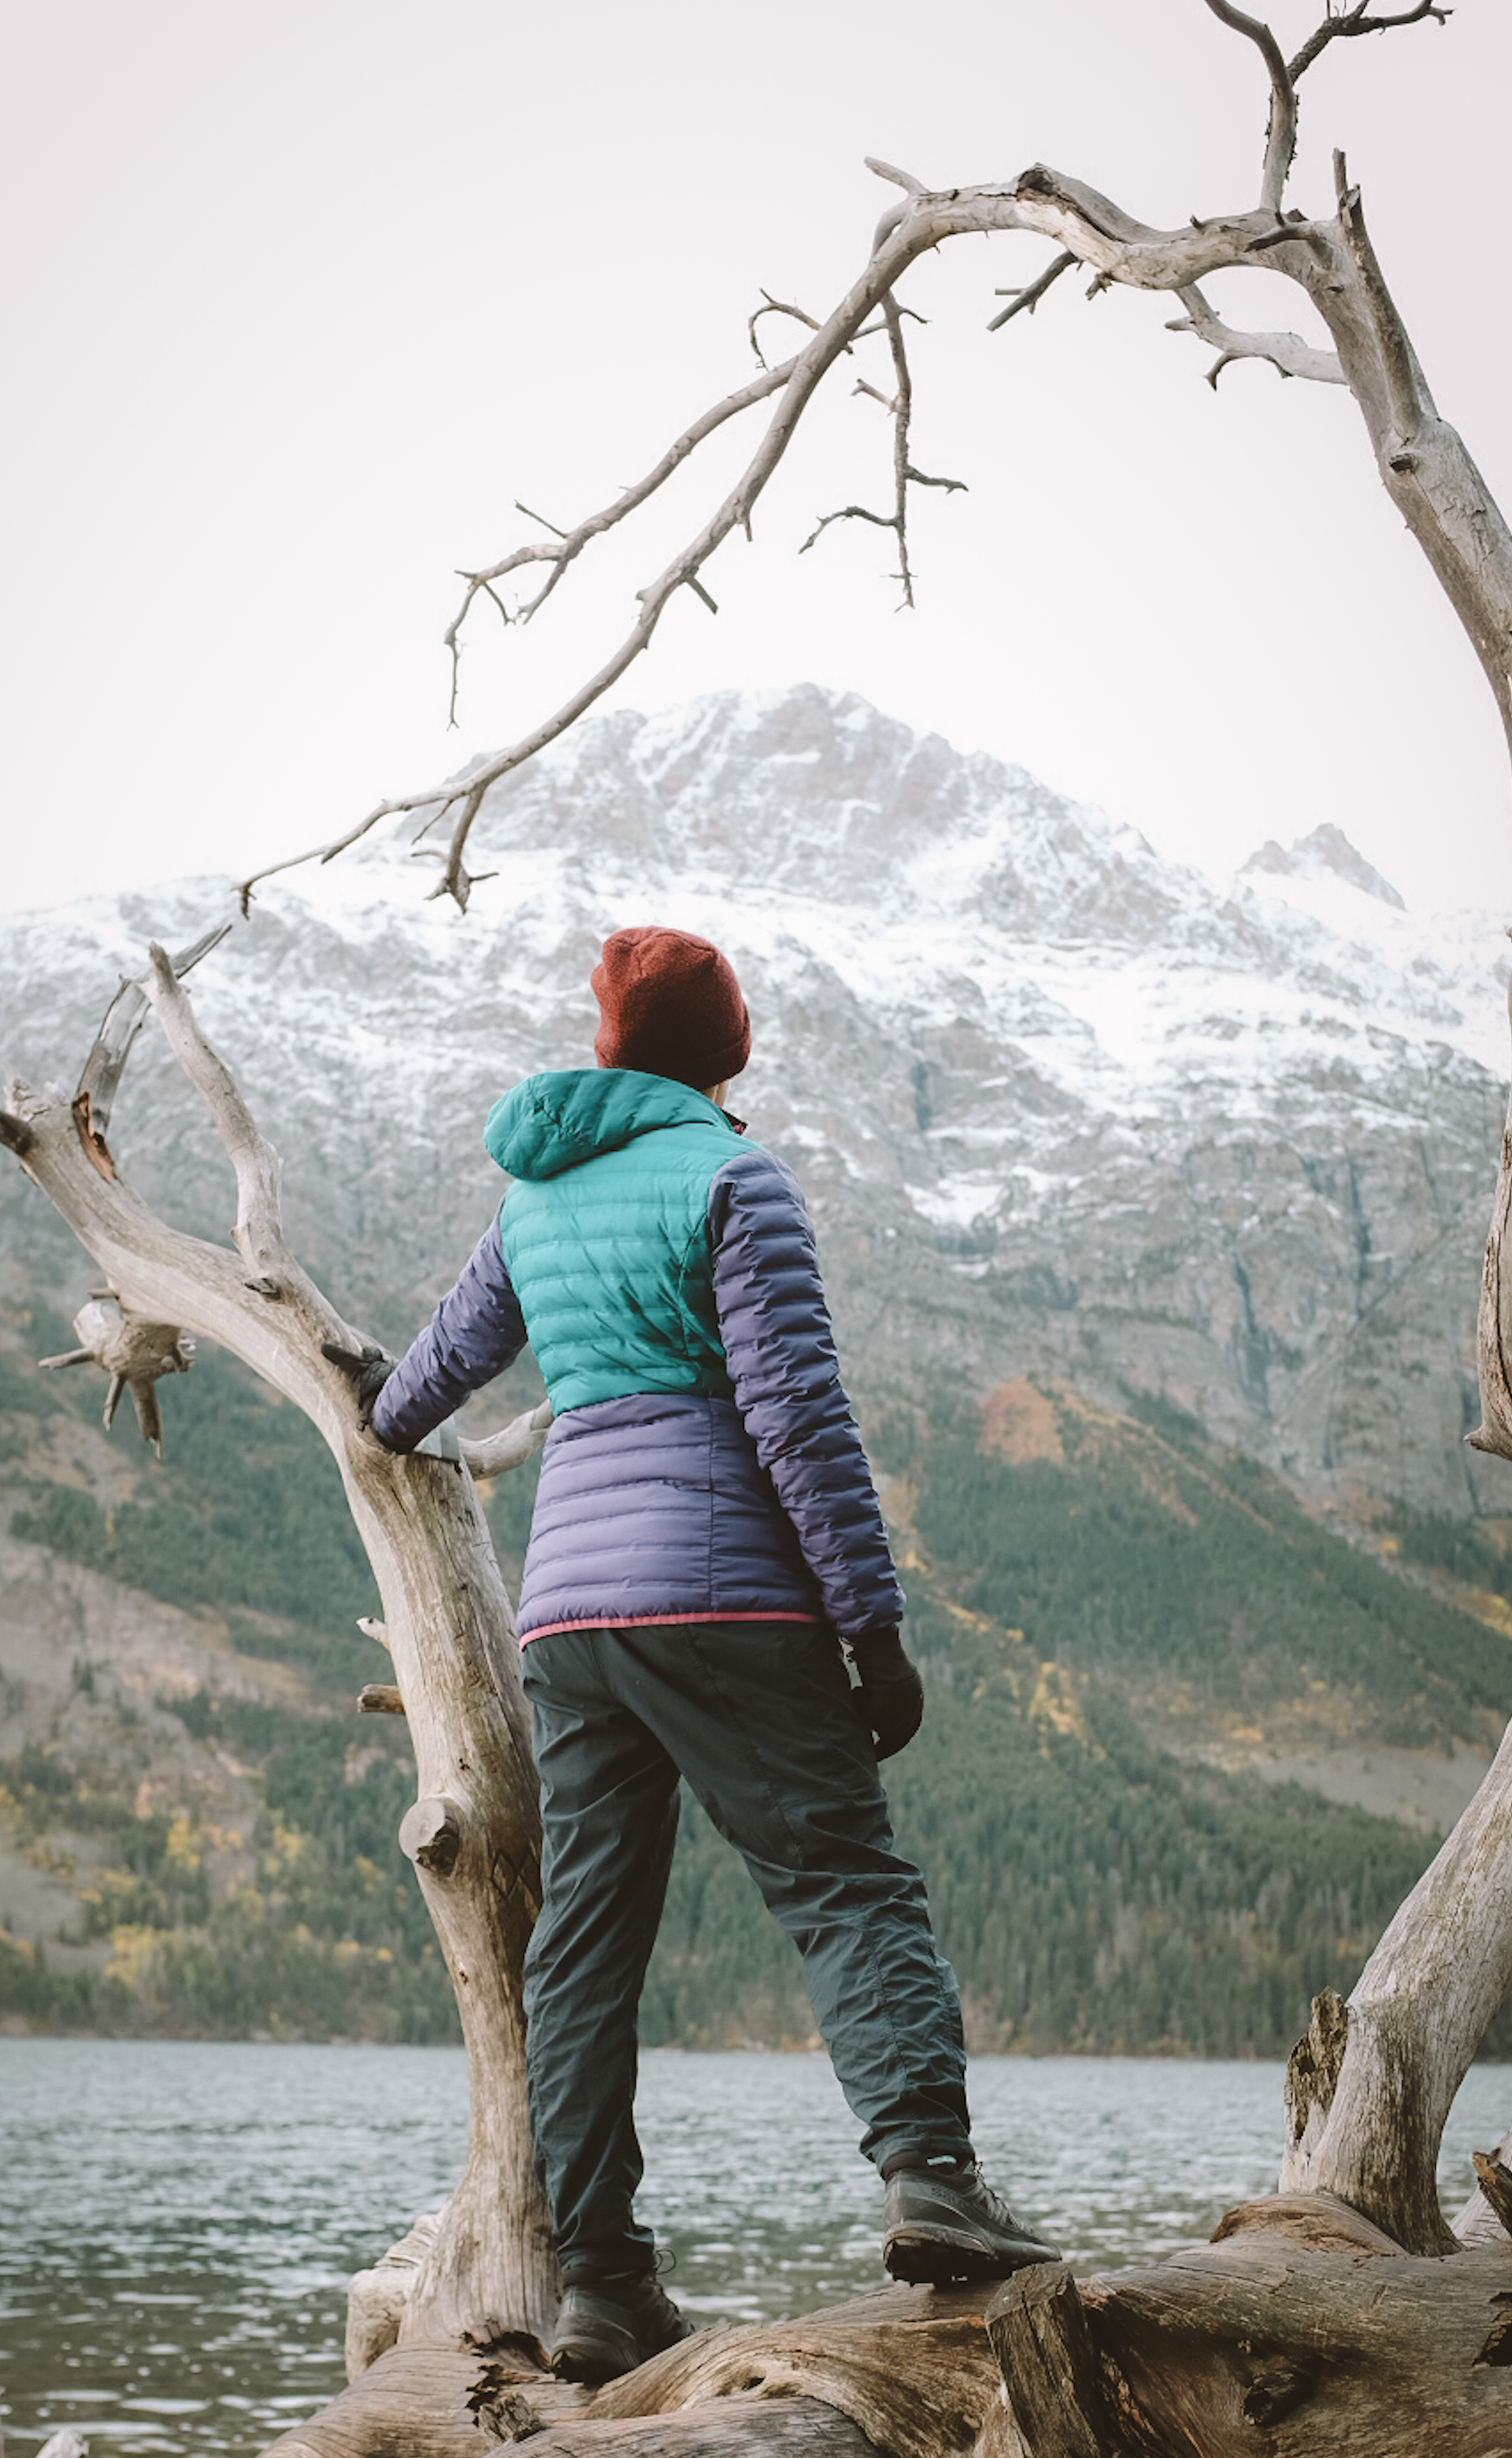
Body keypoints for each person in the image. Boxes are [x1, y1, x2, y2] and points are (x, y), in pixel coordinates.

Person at [355, 924, 1055, 2381]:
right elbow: (799, 1421)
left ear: (610, 1047)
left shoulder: (531, 1200)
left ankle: (603, 2286)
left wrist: (373, 1403)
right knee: (844, 1883)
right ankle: (931, 2180)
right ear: (725, 1052)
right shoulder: (738, 1180)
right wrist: (873, 1630)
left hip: (570, 1626)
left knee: (586, 1948)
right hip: (731, 1600)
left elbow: (420, 1386)